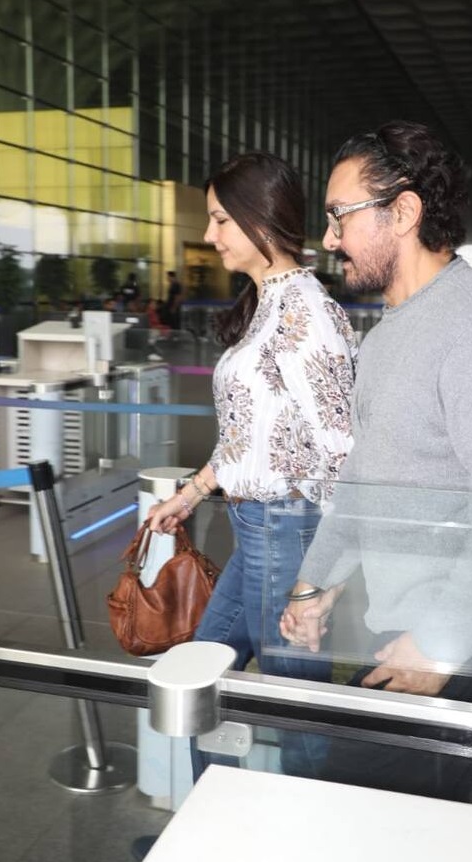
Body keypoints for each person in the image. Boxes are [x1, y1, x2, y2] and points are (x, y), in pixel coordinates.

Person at [279, 120, 472, 803]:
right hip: (403, 633)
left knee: (363, 817)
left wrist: (441, 642)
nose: (328, 240)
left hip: (456, 653)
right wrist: (318, 580)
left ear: (403, 212)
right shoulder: (390, 333)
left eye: (339, 216)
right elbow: (368, 476)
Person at [147, 150, 358, 777]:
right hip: (259, 531)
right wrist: (191, 493)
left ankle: (305, 824)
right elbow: (249, 437)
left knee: (295, 709)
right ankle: (213, 814)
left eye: (220, 220)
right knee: (203, 675)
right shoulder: (268, 303)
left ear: (260, 218)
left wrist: (320, 583)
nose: (209, 235)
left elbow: (343, 452)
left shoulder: (305, 313)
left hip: (287, 532)